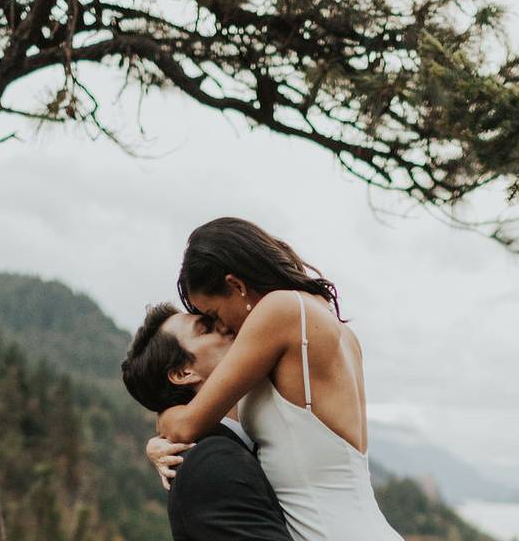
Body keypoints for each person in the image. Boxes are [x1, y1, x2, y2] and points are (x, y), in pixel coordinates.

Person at [154, 217, 403, 541]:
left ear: (237, 286)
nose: (224, 327)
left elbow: (188, 424)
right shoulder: (336, 328)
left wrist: (163, 422)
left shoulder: (279, 310)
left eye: (214, 314)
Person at [121, 302, 294, 541]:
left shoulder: (255, 436)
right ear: (183, 374)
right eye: (205, 328)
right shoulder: (211, 461)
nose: (224, 326)